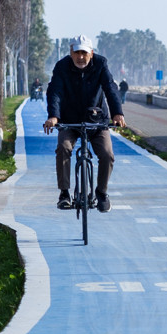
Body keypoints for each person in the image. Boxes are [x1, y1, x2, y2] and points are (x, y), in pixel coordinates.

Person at [43, 35, 126, 212]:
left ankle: (101, 193)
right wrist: (54, 117)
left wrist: (117, 114)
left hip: (97, 121)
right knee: (63, 148)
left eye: (84, 53)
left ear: (91, 53)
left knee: (107, 154)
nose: (81, 57)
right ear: (71, 53)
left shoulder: (101, 64)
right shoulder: (62, 67)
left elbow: (111, 89)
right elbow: (55, 92)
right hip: (69, 121)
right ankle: (64, 193)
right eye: (77, 52)